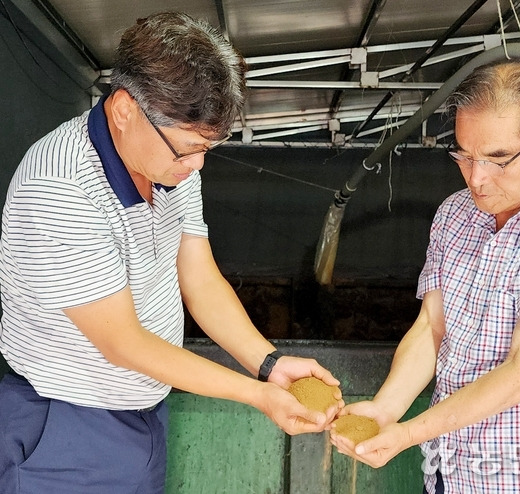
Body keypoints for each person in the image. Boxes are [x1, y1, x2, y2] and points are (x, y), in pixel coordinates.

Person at [0, 11, 342, 494]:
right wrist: (258, 395)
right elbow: (124, 343)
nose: (197, 164)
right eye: (186, 148)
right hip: (66, 424)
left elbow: (199, 278)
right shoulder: (59, 190)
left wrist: (268, 363)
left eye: (208, 147)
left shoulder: (170, 165)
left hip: (144, 406)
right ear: (123, 110)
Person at [331, 59, 520, 494]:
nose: (477, 179)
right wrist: (385, 409)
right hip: (455, 472)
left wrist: (407, 434)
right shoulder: (455, 215)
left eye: (498, 159)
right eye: (464, 154)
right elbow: (432, 329)